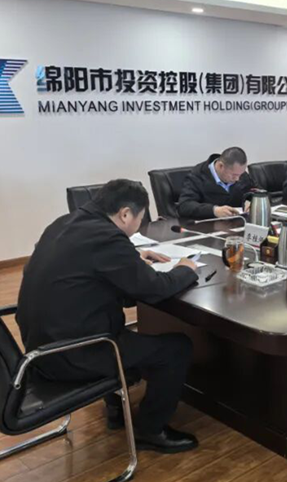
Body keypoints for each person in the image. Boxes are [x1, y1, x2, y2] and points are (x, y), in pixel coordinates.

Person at [16, 179, 201, 453]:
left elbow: (88, 267)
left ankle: (116, 410)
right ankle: (151, 430)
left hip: (39, 346)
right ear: (125, 214)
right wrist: (186, 269)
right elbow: (154, 289)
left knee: (125, 334)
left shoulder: (64, 223)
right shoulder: (107, 239)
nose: (138, 225)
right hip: (73, 353)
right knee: (176, 348)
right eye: (140, 218)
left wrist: (131, 256)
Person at [178, 147, 255, 220]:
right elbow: (184, 206)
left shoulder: (239, 173)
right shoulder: (197, 176)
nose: (237, 179)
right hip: (208, 225)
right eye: (234, 175)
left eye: (241, 174)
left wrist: (252, 202)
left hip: (238, 223)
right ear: (221, 166)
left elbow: (253, 191)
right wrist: (214, 210)